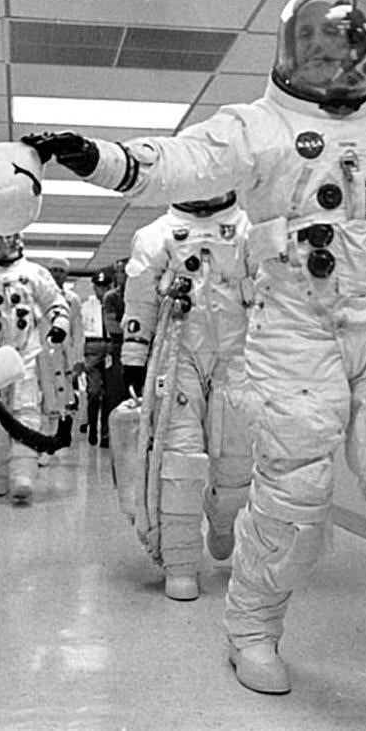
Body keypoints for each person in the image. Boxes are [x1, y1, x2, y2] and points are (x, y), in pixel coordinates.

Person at [21, 0, 366, 720]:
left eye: (347, 50)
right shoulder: (257, 128)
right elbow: (176, 162)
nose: (334, 64)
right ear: (294, 51)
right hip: (294, 335)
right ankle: (251, 631)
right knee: (293, 494)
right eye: (320, 50)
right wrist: (96, 157)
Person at [119, 192, 256, 601]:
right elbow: (139, 297)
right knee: (178, 458)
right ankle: (180, 564)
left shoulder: (249, 231)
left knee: (237, 456)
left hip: (238, 356)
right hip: (177, 353)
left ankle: (224, 517)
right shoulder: (155, 236)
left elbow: (275, 291)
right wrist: (134, 351)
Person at [0, 233, 70, 504]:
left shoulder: (35, 273)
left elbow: (56, 303)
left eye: (10, 235)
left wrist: (59, 324)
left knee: (27, 410)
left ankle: (23, 474)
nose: (4, 241)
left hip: (27, 353)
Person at [43, 257, 86, 463]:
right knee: (45, 396)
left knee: (66, 396)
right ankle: (44, 442)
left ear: (66, 274)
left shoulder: (73, 299)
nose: (56, 274)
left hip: (66, 356)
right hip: (45, 356)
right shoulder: (40, 296)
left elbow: (78, 330)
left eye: (60, 270)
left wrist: (78, 358)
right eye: (53, 270)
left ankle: (60, 435)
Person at [83, 268, 115, 445]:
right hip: (92, 346)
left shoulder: (116, 302)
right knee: (94, 392)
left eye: (105, 286)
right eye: (99, 286)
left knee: (110, 393)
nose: (102, 290)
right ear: (94, 287)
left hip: (110, 346)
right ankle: (92, 427)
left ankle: (105, 434)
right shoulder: (86, 306)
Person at [99, 258, 129, 448]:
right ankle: (107, 433)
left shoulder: (142, 296)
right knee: (113, 393)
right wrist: (135, 330)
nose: (123, 276)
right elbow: (112, 327)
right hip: (118, 347)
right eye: (120, 272)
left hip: (141, 347)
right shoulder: (111, 298)